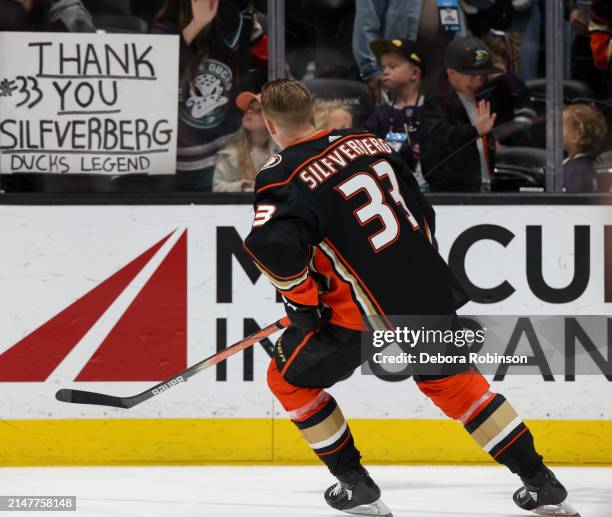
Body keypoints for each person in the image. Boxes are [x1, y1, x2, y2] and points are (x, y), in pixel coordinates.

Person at [244, 78, 577, 517]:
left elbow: (272, 247)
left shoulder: (280, 174)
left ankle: (355, 485)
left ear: (270, 124)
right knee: (456, 385)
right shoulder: (368, 142)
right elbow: (421, 211)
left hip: (360, 312)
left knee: (287, 380)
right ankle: (540, 482)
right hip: (426, 289)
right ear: (314, 113)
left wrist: (303, 303)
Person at [152, 0, 267, 191]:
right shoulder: (166, 27)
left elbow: (269, 61)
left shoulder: (236, 18)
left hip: (226, 151)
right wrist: (197, 24)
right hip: (178, 159)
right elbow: (155, 72)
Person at [421, 37, 501, 192]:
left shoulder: (482, 95)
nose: (478, 82)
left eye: (482, 76)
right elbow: (441, 137)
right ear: (451, 73)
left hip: (484, 183)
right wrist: (475, 131)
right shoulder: (437, 99)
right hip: (454, 190)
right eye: (472, 76)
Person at [364, 39, 425, 175]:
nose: (385, 72)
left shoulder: (430, 110)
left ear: (414, 73)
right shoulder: (380, 115)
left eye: (392, 67)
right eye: (383, 67)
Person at [213, 92, 277, 192]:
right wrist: (242, 187)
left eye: (259, 111)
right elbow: (217, 189)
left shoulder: (283, 153)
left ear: (273, 120)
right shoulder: (229, 153)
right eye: (249, 108)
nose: (249, 112)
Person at [563, 104, 607, 193]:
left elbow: (572, 202)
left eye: (560, 126)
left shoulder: (576, 171)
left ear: (575, 137)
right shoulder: (595, 163)